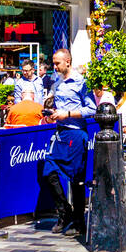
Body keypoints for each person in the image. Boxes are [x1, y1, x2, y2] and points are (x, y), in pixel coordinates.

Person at [41, 48, 95, 236]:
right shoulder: (57, 82)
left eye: (57, 63)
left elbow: (92, 109)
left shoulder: (81, 83)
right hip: (60, 132)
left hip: (76, 133)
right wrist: (52, 114)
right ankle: (65, 211)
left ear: (68, 62)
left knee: (76, 179)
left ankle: (79, 222)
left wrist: (68, 114)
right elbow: (57, 106)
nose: (54, 67)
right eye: (53, 63)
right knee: (48, 171)